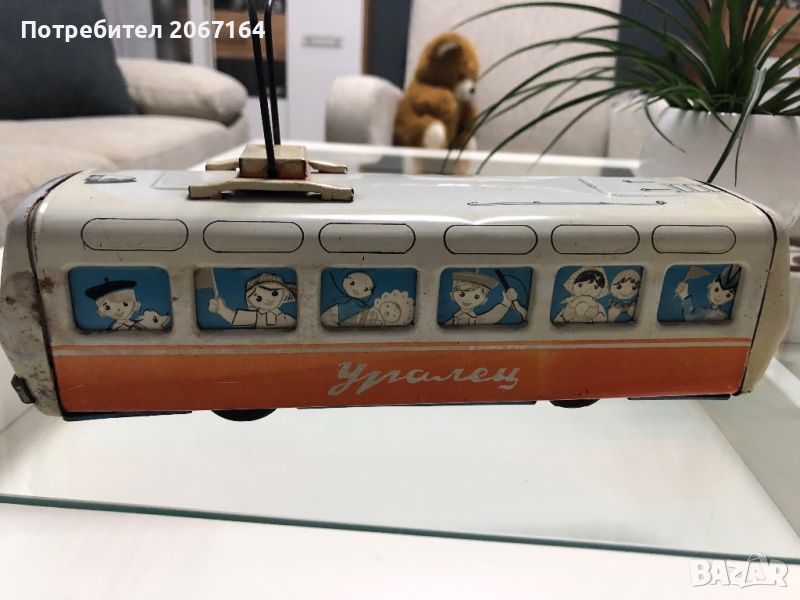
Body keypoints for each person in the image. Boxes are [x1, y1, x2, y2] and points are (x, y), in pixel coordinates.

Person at [209, 272, 296, 328]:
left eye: (274, 293)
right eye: (258, 298)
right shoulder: (256, 316)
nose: (268, 300)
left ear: (285, 293)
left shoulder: (288, 319)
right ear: (251, 301)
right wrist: (221, 310)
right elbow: (235, 318)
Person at [85, 278, 169, 331]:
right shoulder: (110, 329)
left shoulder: (139, 326)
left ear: (134, 304)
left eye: (125, 304)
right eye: (108, 307)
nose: (118, 309)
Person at [443, 271, 517, 326]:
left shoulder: (478, 320)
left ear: (484, 300)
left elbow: (493, 316)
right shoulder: (451, 321)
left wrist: (507, 301)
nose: (468, 299)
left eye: (476, 297)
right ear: (452, 294)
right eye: (462, 294)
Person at [675, 265, 740, 321]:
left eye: (727, 295)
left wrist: (685, 297)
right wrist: (684, 295)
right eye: (716, 289)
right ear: (710, 285)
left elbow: (690, 317)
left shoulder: (723, 316)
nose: (719, 295)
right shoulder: (706, 312)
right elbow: (690, 317)